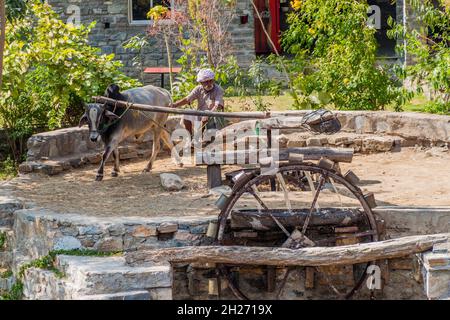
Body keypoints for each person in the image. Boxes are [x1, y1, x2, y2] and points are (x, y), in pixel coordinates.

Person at [170, 69, 225, 136]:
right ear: (201, 83)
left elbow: (217, 105)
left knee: (206, 116)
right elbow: (188, 99)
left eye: (210, 81)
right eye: (206, 82)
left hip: (214, 116)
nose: (209, 83)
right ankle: (189, 137)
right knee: (187, 112)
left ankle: (198, 137)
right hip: (200, 114)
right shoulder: (198, 89)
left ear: (213, 80)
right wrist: (175, 105)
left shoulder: (218, 90)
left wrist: (208, 113)